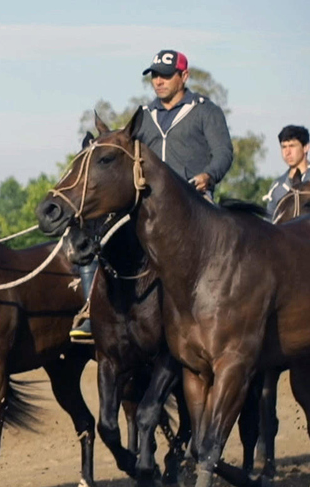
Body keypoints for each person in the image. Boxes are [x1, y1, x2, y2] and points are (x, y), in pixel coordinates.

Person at [71, 49, 234, 341]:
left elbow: (223, 153)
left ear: (183, 76)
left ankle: (220, 315)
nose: (159, 81)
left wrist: (208, 175)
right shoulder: (144, 117)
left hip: (194, 204)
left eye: (166, 76)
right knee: (97, 238)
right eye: (155, 76)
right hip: (146, 205)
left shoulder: (205, 110)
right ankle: (89, 310)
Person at [263, 125, 309, 219]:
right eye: (284, 147)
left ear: (306, 147)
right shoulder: (277, 187)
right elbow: (269, 224)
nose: (287, 152)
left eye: (292, 146)